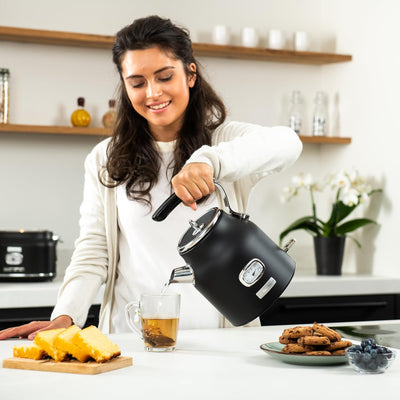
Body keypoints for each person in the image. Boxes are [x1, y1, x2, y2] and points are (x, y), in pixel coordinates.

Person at [0, 15, 302, 339]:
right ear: (126, 86)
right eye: (138, 82)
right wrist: (66, 315)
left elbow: (287, 143)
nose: (153, 93)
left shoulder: (223, 141)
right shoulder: (105, 158)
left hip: (219, 342)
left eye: (164, 76)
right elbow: (93, 251)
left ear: (190, 74)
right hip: (130, 341)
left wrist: (208, 162)